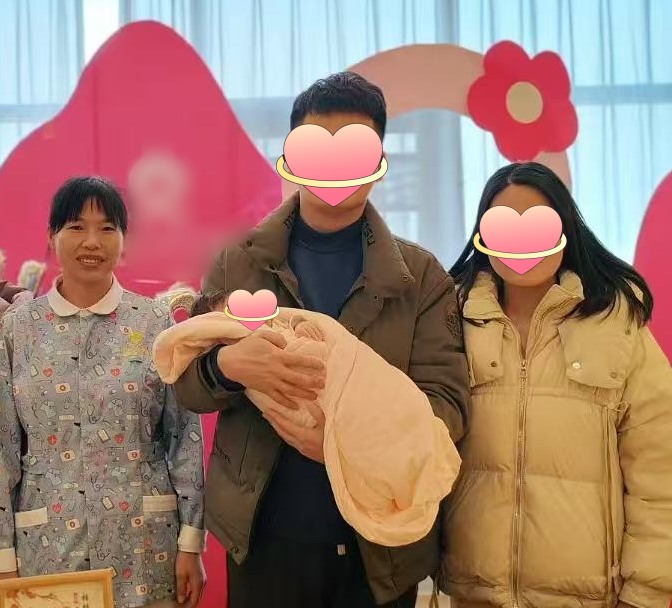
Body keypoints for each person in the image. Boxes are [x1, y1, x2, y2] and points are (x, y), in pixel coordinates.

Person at [173, 71, 470, 608]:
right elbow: (189, 385)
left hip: (378, 552)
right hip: (263, 542)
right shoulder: (238, 262)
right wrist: (229, 367)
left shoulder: (421, 278)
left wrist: (347, 439)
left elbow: (447, 409)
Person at [441, 162, 672, 608]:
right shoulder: (450, 321)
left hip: (587, 598)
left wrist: (646, 593)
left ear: (565, 231)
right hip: (475, 593)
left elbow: (660, 471)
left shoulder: (617, 325)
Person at [0, 177, 207, 608]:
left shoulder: (154, 322)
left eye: (107, 228)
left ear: (124, 239)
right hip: (48, 550)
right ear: (51, 236)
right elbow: (3, 450)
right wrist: (3, 557)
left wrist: (191, 542)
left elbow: (183, 436)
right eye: (76, 226)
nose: (92, 241)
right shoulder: (17, 330)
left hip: (145, 546)